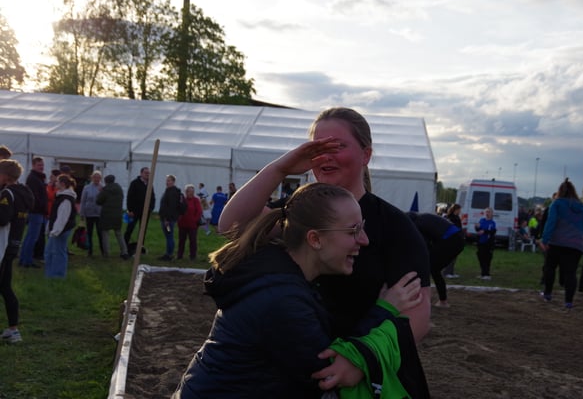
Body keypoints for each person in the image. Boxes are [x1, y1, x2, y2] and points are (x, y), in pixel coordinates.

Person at [172, 183, 427, 399]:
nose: (365, 240)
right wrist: (385, 310)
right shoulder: (282, 300)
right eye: (353, 230)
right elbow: (330, 373)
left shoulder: (277, 274)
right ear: (315, 239)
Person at [218, 107, 431, 345]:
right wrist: (280, 169)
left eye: (337, 146)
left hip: (358, 360)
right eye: (318, 148)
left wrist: (354, 359)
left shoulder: (394, 226)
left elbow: (417, 318)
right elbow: (231, 226)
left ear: (366, 155)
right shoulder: (298, 210)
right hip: (288, 356)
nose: (326, 155)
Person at [541, 179, 583, 309]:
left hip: (557, 242)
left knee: (550, 267)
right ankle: (569, 301)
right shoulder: (582, 207)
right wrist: (582, 237)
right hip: (576, 244)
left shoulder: (556, 204)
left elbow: (551, 222)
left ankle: (548, 293)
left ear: (560, 191)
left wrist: (545, 239)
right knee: (571, 272)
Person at [0, 159, 34, 343]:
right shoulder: (25, 193)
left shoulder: (7, 193)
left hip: (3, 245)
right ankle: (13, 330)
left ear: (5, 176)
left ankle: (14, 331)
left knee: (5, 287)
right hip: (14, 244)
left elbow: (3, 219)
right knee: (5, 287)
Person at [408, 211, 464, 308]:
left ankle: (436, 301)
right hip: (458, 238)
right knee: (433, 269)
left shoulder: (416, 224)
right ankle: (442, 300)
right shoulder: (424, 217)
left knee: (429, 269)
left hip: (450, 240)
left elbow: (424, 246)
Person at [44, 174, 77, 278]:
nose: (55, 183)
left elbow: (62, 217)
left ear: (62, 184)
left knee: (58, 252)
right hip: (57, 229)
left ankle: (58, 275)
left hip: (61, 230)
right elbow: (54, 215)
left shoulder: (66, 199)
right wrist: (49, 227)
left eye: (57, 181)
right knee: (49, 252)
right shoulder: (61, 196)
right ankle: (50, 274)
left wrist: (55, 231)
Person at [19, 157, 48, 268]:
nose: (42, 167)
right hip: (36, 212)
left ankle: (24, 259)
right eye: (39, 165)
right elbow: (34, 197)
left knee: (30, 237)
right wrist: (41, 207)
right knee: (32, 238)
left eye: (42, 165)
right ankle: (26, 261)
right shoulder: (33, 178)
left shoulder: (38, 178)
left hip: (37, 212)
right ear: (33, 165)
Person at [96, 175, 129, 260]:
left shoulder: (105, 190)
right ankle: (124, 251)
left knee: (105, 234)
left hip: (106, 214)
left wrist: (100, 191)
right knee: (119, 233)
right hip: (117, 214)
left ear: (106, 181)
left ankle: (106, 253)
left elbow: (98, 201)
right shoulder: (119, 189)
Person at [124, 167, 156, 246]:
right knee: (130, 228)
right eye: (146, 173)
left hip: (145, 212)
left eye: (148, 173)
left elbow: (152, 197)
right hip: (134, 211)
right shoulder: (134, 183)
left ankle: (140, 246)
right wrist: (130, 210)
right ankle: (124, 246)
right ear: (141, 173)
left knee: (142, 230)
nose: (147, 174)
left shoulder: (149, 184)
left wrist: (150, 208)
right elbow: (129, 197)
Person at [79, 170, 104, 257]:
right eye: (95, 177)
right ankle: (90, 251)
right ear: (92, 178)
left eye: (98, 177)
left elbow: (105, 200)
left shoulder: (103, 187)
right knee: (89, 233)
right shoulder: (87, 187)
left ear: (100, 178)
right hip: (89, 213)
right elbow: (83, 201)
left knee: (100, 233)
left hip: (99, 213)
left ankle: (103, 250)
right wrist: (82, 213)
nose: (96, 179)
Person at [158, 175, 182, 261]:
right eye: (167, 180)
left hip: (168, 220)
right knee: (168, 236)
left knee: (169, 236)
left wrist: (167, 219)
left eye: (169, 180)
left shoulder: (172, 192)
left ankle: (169, 254)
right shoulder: (169, 191)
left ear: (173, 182)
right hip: (167, 218)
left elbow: (171, 207)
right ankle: (168, 253)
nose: (167, 182)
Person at [177, 184, 202, 260]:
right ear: (186, 192)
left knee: (193, 241)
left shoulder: (196, 200)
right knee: (181, 241)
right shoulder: (183, 200)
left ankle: (192, 256)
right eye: (189, 191)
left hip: (192, 225)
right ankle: (179, 255)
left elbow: (199, 211)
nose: (191, 193)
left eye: (192, 191)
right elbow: (179, 210)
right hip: (182, 224)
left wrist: (194, 220)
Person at [475, 207, 496, 280]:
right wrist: (476, 227)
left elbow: (492, 231)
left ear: (492, 214)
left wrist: (484, 231)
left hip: (488, 243)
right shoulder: (481, 220)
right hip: (481, 242)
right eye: (486, 212)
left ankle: (487, 274)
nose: (487, 213)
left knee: (487, 258)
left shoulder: (492, 222)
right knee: (481, 257)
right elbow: (478, 229)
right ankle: (483, 273)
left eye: (489, 212)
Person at [443, 203, 463, 278]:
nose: (460, 211)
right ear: (456, 210)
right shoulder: (450, 218)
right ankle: (447, 272)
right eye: (459, 210)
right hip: (451, 239)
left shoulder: (457, 217)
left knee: (454, 256)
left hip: (456, 239)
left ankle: (451, 272)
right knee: (450, 256)